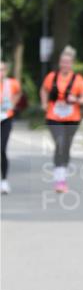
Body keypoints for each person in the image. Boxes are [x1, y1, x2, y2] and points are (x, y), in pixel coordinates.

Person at [39, 46, 83, 193]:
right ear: (60, 63)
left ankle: (62, 174)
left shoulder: (78, 80)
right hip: (53, 117)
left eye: (68, 62)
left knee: (66, 147)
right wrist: (44, 103)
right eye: (63, 62)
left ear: (72, 63)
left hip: (72, 118)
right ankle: (59, 180)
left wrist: (76, 99)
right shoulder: (52, 77)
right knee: (60, 143)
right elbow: (44, 89)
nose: (65, 65)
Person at [1, 60, 22, 194]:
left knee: (2, 148)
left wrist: (13, 103)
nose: (0, 72)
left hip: (6, 118)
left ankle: (4, 180)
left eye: (2, 69)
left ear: (6, 71)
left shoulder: (12, 84)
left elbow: (18, 93)